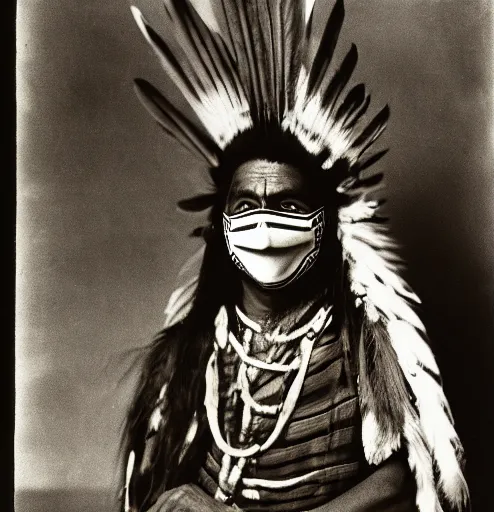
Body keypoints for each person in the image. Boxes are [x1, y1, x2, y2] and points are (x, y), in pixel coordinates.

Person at [120, 1, 470, 510]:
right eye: (245, 205)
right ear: (220, 224)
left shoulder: (358, 341)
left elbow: (402, 476)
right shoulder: (191, 352)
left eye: (287, 204)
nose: (263, 226)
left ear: (324, 222)